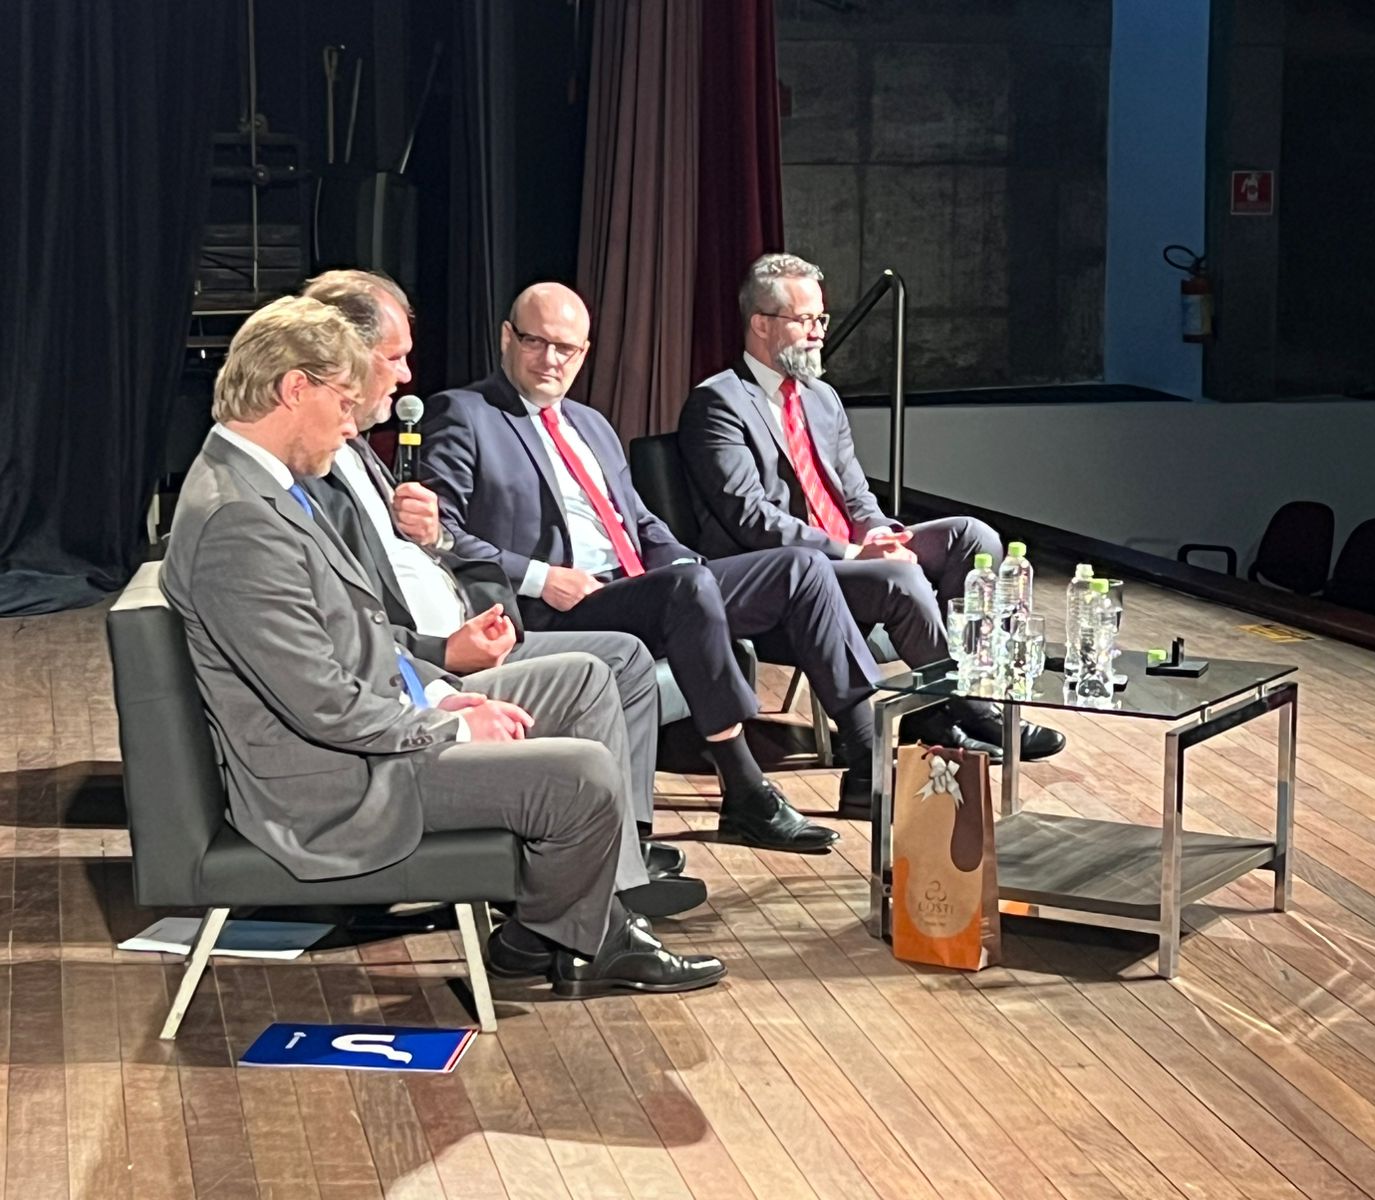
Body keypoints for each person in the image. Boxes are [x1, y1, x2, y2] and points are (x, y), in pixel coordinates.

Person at [159, 296, 723, 997]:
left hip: (372, 720)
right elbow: (321, 705)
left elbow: (353, 636)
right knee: (583, 779)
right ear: (293, 388)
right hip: (339, 784)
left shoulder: (269, 488)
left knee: (580, 679)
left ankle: (557, 927)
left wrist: (435, 683)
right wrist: (452, 721)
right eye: (343, 395)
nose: (352, 414)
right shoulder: (238, 519)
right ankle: (572, 931)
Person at [420, 282, 884, 845]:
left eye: (565, 348)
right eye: (534, 342)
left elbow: (641, 525)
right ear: (505, 339)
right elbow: (440, 534)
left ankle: (866, 759)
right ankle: (745, 792)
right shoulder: (465, 413)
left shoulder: (592, 424)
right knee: (687, 590)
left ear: (584, 353)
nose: (549, 360)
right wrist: (542, 577)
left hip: (641, 586)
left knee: (799, 568)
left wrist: (694, 566)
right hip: (556, 606)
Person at [296, 271, 697, 911]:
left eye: (569, 348)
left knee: (663, 621)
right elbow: (346, 627)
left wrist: (427, 537)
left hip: (470, 624)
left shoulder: (361, 451)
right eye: (395, 359)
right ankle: (607, 888)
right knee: (615, 660)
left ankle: (619, 859)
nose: (406, 378)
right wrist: (444, 651)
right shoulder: (310, 471)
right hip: (431, 662)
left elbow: (421, 549)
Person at [677, 252, 1064, 765]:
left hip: (849, 552)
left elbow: (856, 496)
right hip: (786, 575)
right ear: (761, 324)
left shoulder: (822, 398)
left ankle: (933, 713)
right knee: (899, 581)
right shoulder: (718, 404)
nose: (818, 332)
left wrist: (882, 537)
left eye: (822, 319)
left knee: (972, 536)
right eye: (806, 320)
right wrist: (855, 551)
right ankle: (975, 709)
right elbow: (752, 520)